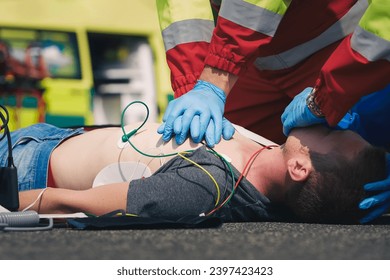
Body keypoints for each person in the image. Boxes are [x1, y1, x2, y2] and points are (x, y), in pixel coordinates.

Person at [1, 122, 386, 224]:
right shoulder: (272, 153)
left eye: (333, 133)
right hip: (46, 139)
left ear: (299, 168)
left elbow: (65, 205)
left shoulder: (205, 187)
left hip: (25, 166)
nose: (330, 121)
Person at [156, 0, 390, 147]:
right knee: (211, 148)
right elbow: (182, 8)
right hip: (257, 62)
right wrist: (195, 86)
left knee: (354, 169)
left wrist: (330, 94)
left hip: (349, 54)